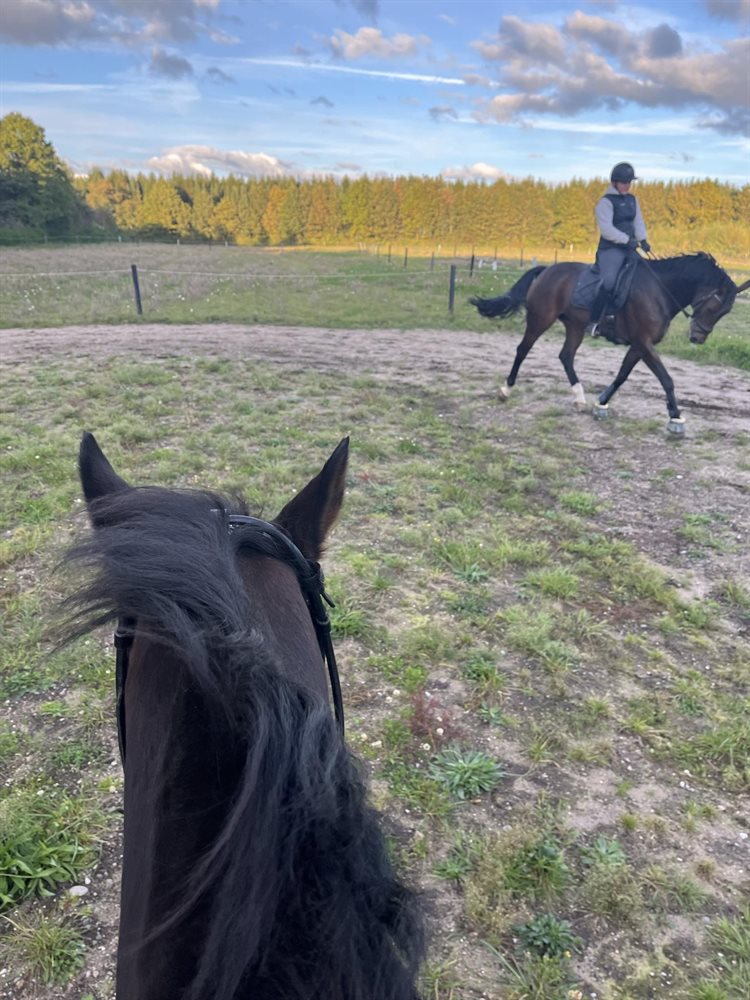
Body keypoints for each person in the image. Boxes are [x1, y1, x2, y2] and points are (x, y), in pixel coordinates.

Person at [585, 162, 651, 337]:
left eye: (629, 182)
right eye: (623, 182)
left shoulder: (632, 200)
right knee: (609, 282)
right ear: (614, 182)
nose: (627, 186)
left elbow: (638, 222)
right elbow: (607, 230)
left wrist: (643, 239)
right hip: (611, 249)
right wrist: (626, 240)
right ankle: (593, 321)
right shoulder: (605, 202)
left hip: (630, 248)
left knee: (645, 276)